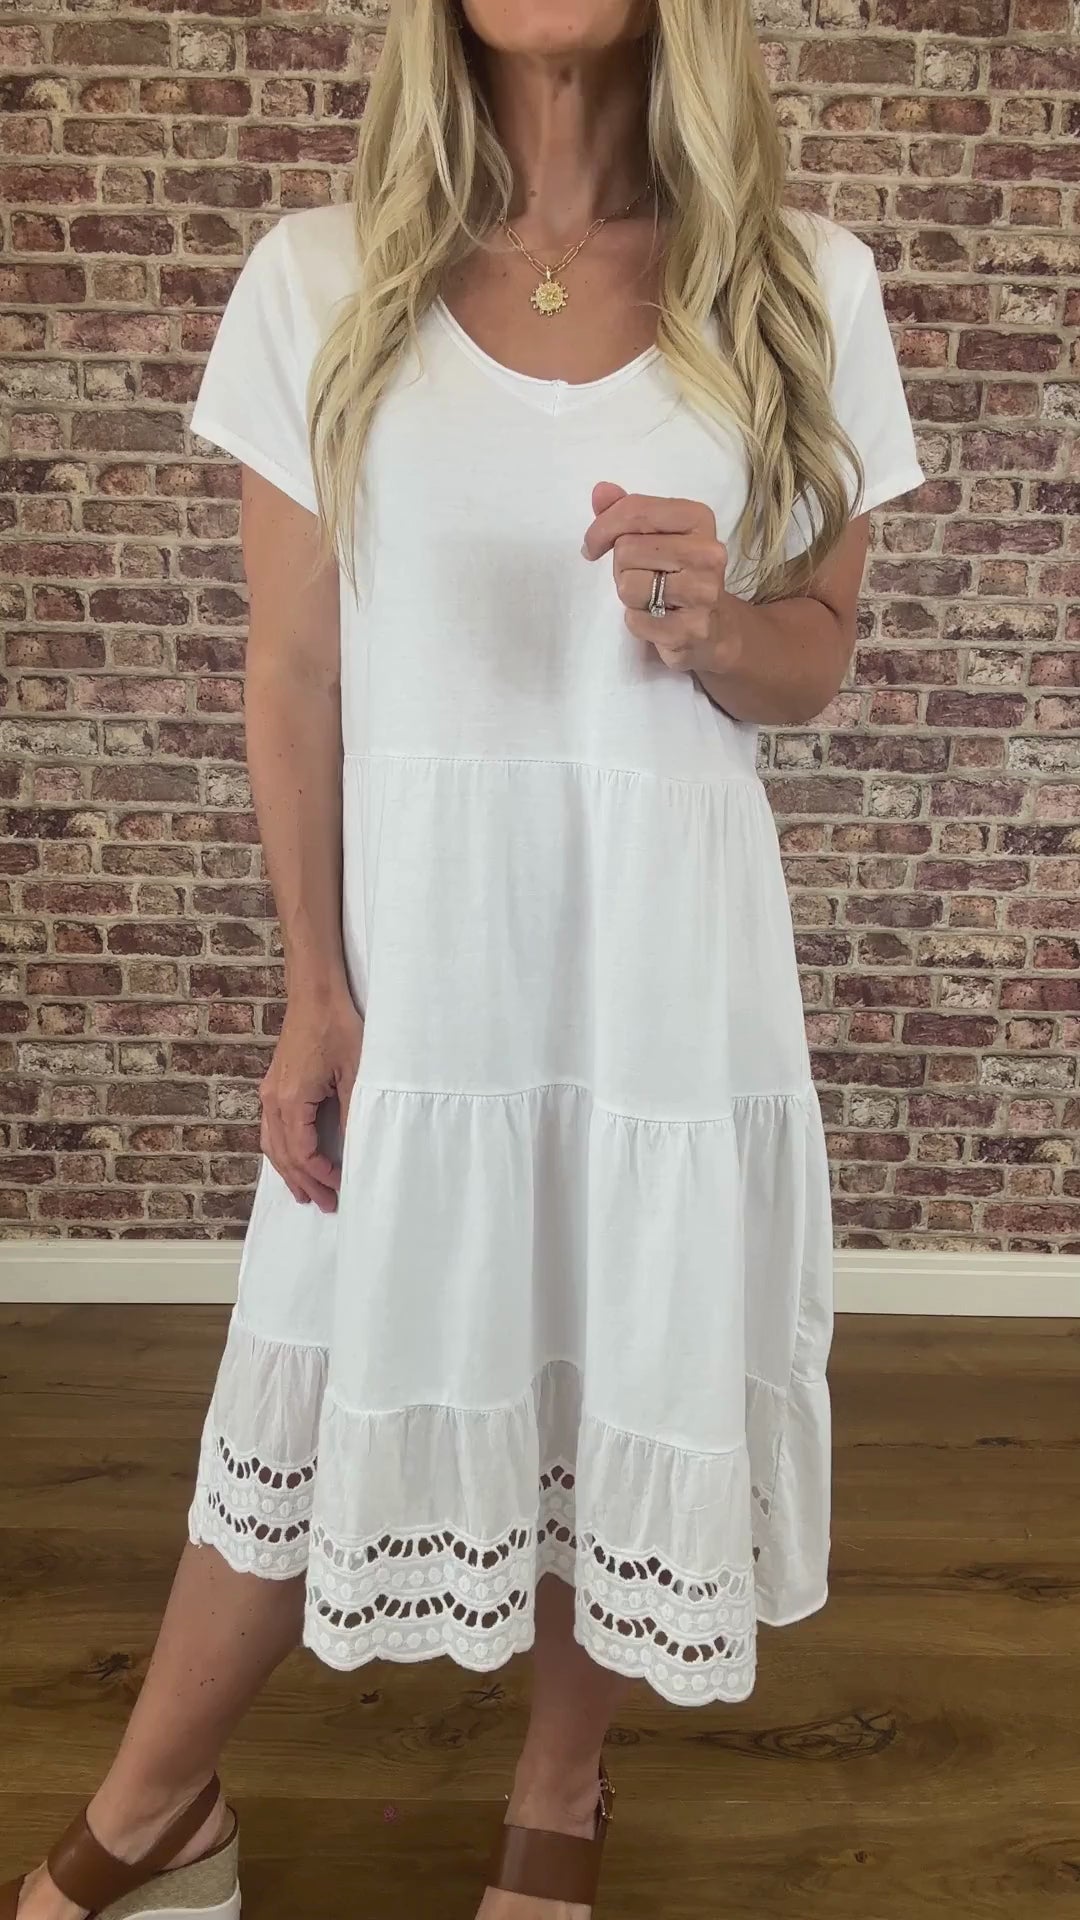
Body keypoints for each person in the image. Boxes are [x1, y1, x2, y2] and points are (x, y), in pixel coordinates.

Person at [3, 2, 925, 1917]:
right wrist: (315, 987)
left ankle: (561, 1805)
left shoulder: (801, 283)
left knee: (625, 1347)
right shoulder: (322, 279)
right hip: (430, 962)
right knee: (322, 1356)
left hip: (669, 963)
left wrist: (718, 619)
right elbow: (294, 670)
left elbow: (816, 663)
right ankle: (156, 1813)